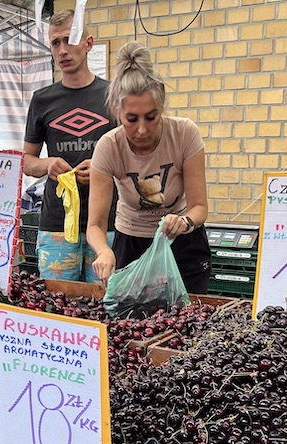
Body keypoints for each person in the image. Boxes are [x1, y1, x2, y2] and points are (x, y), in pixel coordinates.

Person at [87, 41, 211, 293]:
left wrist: (185, 221)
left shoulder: (185, 134)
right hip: (131, 244)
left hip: (182, 243)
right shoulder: (108, 147)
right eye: (131, 119)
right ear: (116, 111)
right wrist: (103, 251)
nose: (142, 129)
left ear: (162, 107)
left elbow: (199, 207)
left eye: (151, 117)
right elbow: (95, 225)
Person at [23, 10, 117, 282]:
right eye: (55, 43)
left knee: (103, 305)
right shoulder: (42, 100)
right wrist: (47, 164)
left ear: (88, 43)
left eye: (69, 39)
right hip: (56, 225)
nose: (63, 50)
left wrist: (103, 170)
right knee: (56, 307)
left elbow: (132, 159)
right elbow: (27, 160)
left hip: (107, 224)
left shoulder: (113, 96)